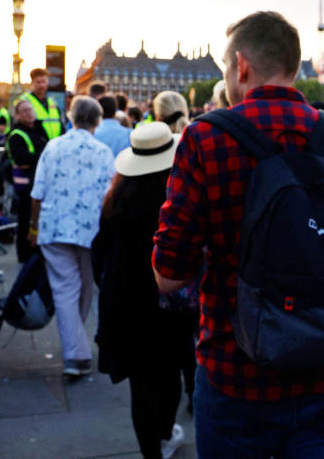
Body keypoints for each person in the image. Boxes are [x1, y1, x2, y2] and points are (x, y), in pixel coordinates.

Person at [153, 11, 324, 458]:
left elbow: (169, 276)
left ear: (241, 65)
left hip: (235, 371)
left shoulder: (205, 139)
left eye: (227, 68)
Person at [93, 122, 195, 459]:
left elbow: (99, 252)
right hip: (168, 304)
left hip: (125, 302)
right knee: (170, 377)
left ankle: (150, 450)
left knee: (141, 386)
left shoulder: (117, 198)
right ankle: (165, 433)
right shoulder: (178, 198)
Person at [29, 96, 115, 376]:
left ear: (71, 117)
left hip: (55, 225)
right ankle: (77, 353)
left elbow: (37, 193)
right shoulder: (103, 152)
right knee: (85, 288)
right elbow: (111, 194)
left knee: (66, 289)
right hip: (90, 229)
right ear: (97, 121)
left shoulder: (53, 147)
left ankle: (74, 352)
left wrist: (33, 227)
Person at [7, 99, 49, 264]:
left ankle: (36, 255)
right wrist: (42, 156)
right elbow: (20, 158)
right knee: (25, 221)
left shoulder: (39, 129)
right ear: (17, 115)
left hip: (38, 182)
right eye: (24, 111)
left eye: (30, 109)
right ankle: (25, 258)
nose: (29, 113)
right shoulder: (17, 134)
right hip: (26, 186)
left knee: (37, 220)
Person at [18, 68, 63, 140]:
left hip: (54, 146)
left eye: (44, 82)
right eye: (38, 82)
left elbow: (60, 124)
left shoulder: (52, 102)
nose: (41, 85)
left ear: (48, 82)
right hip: (36, 145)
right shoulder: (24, 101)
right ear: (32, 83)